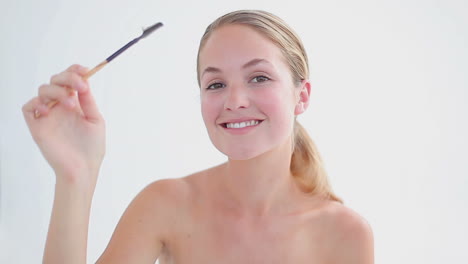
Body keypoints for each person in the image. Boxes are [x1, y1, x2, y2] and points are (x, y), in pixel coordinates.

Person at [22, 10, 373, 264]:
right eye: (216, 84)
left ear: (303, 95)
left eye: (259, 77)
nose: (235, 101)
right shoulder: (165, 203)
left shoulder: (345, 233)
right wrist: (75, 178)